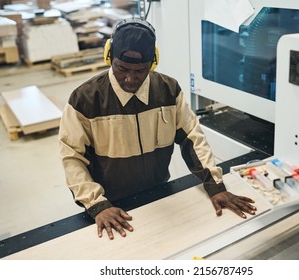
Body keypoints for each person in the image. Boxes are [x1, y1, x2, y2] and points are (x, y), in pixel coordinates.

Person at [58, 18, 256, 241]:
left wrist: (215, 185)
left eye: (140, 71)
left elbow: (193, 137)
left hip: (160, 194)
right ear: (109, 56)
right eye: (122, 69)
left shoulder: (168, 91)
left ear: (154, 61)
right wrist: (97, 204)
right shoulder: (85, 99)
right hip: (110, 202)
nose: (130, 79)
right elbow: (72, 156)